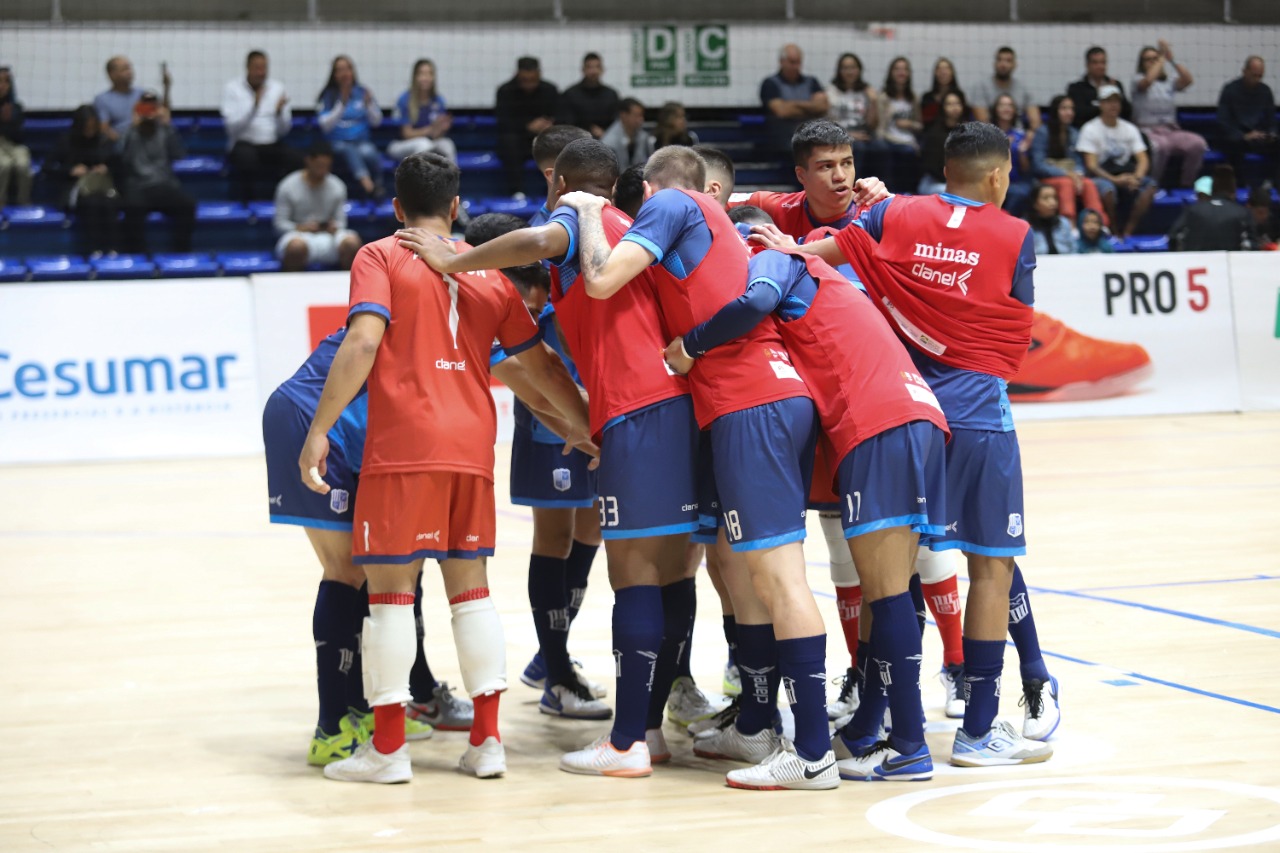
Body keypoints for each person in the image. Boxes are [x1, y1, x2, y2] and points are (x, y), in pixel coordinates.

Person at [758, 121, 1062, 765]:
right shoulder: (1015, 234)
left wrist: (781, 243)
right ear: (1000, 175)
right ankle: (980, 729)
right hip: (979, 418)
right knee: (989, 565)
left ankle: (872, 723)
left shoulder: (893, 214)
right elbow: (1015, 332)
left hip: (903, 412)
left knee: (883, 581)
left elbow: (820, 254)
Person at [399, 139, 705, 778]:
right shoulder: (629, 220)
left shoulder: (579, 213)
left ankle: (625, 743)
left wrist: (454, 262)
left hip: (632, 406)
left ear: (560, 182)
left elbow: (533, 243)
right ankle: (648, 729)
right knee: (674, 569)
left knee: (633, 575)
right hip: (673, 403)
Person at [300, 151, 596, 785]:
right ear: (456, 207)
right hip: (470, 447)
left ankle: (386, 752)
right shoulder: (488, 272)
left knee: (388, 599)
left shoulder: (379, 256)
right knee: (473, 593)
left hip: (404, 446)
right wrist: (583, 425)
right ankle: (487, 744)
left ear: (397, 207)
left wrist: (320, 429)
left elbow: (361, 340)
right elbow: (541, 363)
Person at [561, 146, 841, 792]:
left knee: (775, 577)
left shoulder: (670, 203)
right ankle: (758, 724)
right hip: (745, 404)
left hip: (751, 404)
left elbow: (601, 280)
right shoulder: (721, 230)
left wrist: (582, 211)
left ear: (657, 189)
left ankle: (810, 750)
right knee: (741, 573)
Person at [666, 204, 950, 782]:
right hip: (912, 414)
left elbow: (753, 302)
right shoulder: (818, 272)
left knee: (888, 595)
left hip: (878, 423)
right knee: (884, 593)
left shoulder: (775, 257)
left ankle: (909, 745)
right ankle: (870, 727)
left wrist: (690, 345)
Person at [264, 329, 486, 768]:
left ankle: (363, 710)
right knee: (347, 569)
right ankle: (331, 729)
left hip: (352, 424)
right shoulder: (452, 307)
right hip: (317, 420)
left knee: (387, 561)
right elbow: (522, 367)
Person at [732, 119, 889, 235]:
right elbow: (713, 197)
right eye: (826, 166)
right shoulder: (781, 207)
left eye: (847, 163)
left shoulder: (878, 211)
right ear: (801, 175)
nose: (840, 176)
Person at [118, 92, 195, 254]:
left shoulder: (165, 130)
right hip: (138, 186)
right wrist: (133, 127)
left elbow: (179, 154)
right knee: (132, 208)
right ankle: (137, 255)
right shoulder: (131, 132)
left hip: (163, 185)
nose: (149, 112)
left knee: (188, 205)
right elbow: (119, 156)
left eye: (153, 107)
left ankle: (181, 252)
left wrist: (169, 126)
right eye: (145, 107)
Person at [221, 50, 302, 203]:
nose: (261, 72)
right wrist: (253, 106)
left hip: (270, 143)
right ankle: (249, 205)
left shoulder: (277, 88)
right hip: (243, 143)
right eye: (257, 68)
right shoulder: (232, 88)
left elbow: (284, 130)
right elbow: (231, 128)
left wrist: (279, 114)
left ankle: (287, 201)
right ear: (248, 68)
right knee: (247, 160)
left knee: (298, 160)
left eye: (264, 68)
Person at [1078, 85, 1158, 238]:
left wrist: (1136, 177)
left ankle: (1128, 231)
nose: (1113, 105)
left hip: (1127, 173)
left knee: (1150, 186)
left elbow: (1143, 159)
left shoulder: (1130, 128)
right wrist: (1114, 180)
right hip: (1102, 176)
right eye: (1108, 101)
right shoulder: (1090, 129)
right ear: (1100, 104)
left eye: (1116, 101)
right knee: (1108, 189)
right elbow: (1091, 165)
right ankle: (1114, 230)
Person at [274, 141, 362, 272]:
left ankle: (350, 287)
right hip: (298, 234)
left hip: (328, 236)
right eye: (319, 166)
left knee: (352, 243)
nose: (323, 171)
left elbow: (342, 222)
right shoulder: (287, 186)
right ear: (308, 161)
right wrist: (301, 227)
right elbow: (279, 224)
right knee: (296, 247)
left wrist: (334, 226)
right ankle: (292, 288)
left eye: (326, 166)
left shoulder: (337, 186)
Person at [46, 105, 119, 256]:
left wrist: (106, 169)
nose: (90, 131)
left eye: (93, 127)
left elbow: (120, 165)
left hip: (102, 187)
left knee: (109, 202)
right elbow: (47, 168)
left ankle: (112, 249)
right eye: (87, 127)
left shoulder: (104, 141)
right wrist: (70, 170)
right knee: (92, 203)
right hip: (76, 189)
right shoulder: (66, 141)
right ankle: (93, 249)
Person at [1132, 41, 1206, 188]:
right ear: (1142, 63)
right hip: (1148, 131)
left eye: (1155, 58)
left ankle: (1186, 185)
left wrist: (1171, 59)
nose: (1153, 62)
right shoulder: (1138, 79)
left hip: (1170, 130)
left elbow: (1188, 80)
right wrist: (1161, 57)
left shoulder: (1169, 81)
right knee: (1161, 147)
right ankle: (1153, 185)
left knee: (1198, 144)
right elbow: (1148, 81)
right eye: (1148, 59)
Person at [1030, 95, 1109, 226]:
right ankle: (1069, 224)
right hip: (1047, 178)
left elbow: (1078, 161)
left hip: (1071, 176)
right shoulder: (1042, 132)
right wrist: (1066, 174)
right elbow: (1038, 164)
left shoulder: (1074, 133)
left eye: (1071, 109)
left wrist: (1078, 175)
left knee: (1088, 184)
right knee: (1066, 184)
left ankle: (1099, 223)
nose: (1069, 112)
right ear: (1055, 111)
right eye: (1064, 108)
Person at [317, 56, 384, 198]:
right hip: (337, 144)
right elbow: (325, 126)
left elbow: (376, 122)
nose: (345, 73)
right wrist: (342, 102)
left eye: (347, 69)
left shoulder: (362, 92)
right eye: (340, 70)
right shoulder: (328, 95)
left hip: (361, 142)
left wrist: (369, 104)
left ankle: (378, 184)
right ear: (334, 74)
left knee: (370, 153)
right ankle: (368, 186)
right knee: (348, 149)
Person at [495, 57, 559, 195]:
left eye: (533, 80)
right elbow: (504, 121)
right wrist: (527, 126)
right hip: (518, 140)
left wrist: (548, 124)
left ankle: (555, 190)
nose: (529, 84)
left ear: (539, 74)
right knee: (508, 141)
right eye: (525, 80)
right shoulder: (505, 91)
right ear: (517, 75)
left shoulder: (550, 90)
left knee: (560, 141)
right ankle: (517, 191)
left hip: (544, 140)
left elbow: (560, 116)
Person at [1217, 56, 1279, 188]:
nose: (1256, 79)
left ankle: (1275, 183)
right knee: (1234, 146)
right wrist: (1243, 136)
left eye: (1260, 76)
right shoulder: (1230, 90)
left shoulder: (1265, 91)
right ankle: (1240, 185)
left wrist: (1271, 134)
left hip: (1258, 136)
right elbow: (1223, 121)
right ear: (1244, 71)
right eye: (1254, 75)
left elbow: (1271, 119)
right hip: (1236, 136)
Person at [760, 44, 828, 157]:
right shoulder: (770, 84)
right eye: (792, 62)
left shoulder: (812, 81)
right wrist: (810, 108)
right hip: (784, 136)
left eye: (798, 62)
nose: (796, 66)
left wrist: (792, 104)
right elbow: (782, 111)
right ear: (782, 62)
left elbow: (822, 107)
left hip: (813, 133)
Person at [1169, 169, 1258, 252]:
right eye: (1200, 195)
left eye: (1203, 195)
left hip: (1197, 265)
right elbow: (1251, 245)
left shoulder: (1192, 210)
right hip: (1229, 265)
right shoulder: (1242, 213)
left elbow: (1174, 237)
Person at [388, 59, 456, 164]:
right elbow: (406, 134)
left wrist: (441, 128)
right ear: (415, 77)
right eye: (422, 74)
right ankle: (420, 180)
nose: (426, 78)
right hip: (401, 144)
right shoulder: (405, 99)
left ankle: (451, 179)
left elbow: (435, 136)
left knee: (447, 144)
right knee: (423, 144)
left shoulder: (438, 100)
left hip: (429, 142)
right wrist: (430, 129)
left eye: (429, 74)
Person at [970, 46, 1041, 146]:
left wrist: (1030, 135)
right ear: (994, 63)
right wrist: (1002, 140)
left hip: (1018, 138)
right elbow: (983, 122)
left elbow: (1035, 122)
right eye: (1000, 60)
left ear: (1014, 65)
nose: (1003, 64)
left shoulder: (1023, 89)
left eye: (1008, 60)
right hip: (989, 138)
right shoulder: (981, 87)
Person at [94, 55, 171, 145]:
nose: (129, 72)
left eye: (130, 68)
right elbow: (104, 129)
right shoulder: (103, 99)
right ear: (112, 75)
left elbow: (163, 116)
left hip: (144, 140)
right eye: (124, 69)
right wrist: (123, 141)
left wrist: (166, 88)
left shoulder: (141, 94)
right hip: (122, 143)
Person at [825, 53, 881, 176]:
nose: (850, 72)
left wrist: (873, 101)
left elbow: (872, 124)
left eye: (853, 68)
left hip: (864, 133)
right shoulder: (832, 91)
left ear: (859, 70)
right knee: (858, 148)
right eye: (845, 68)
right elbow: (828, 123)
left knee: (882, 148)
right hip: (839, 134)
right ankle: (854, 188)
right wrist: (849, 134)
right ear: (839, 71)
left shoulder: (866, 91)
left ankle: (884, 189)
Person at [877, 57, 922, 193]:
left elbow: (919, 125)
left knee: (910, 152)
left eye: (904, 69)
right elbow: (880, 127)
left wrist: (909, 124)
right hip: (889, 139)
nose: (901, 72)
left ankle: (908, 193)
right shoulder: (884, 97)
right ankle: (891, 193)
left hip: (908, 140)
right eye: (897, 69)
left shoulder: (913, 97)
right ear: (891, 73)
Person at [557, 53, 619, 139]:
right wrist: (587, 131)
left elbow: (616, 122)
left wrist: (605, 132)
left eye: (597, 67)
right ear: (583, 70)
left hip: (606, 141)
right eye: (589, 67)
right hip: (576, 142)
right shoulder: (570, 94)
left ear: (602, 70)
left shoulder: (611, 94)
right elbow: (566, 123)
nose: (593, 71)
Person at [1066, 46, 1130, 128]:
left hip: (1113, 129)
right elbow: (1078, 113)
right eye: (1095, 63)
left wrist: (1114, 93)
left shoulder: (1115, 85)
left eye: (1103, 62)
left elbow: (1127, 112)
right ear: (1087, 65)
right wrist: (1103, 104)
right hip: (1085, 130)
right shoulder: (1077, 88)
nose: (1100, 66)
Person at [990, 93, 1032, 214]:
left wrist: (1022, 153)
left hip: (1016, 182)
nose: (1006, 109)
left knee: (1021, 192)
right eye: (1002, 105)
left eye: (1009, 105)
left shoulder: (1021, 135)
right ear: (995, 109)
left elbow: (1026, 169)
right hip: (992, 181)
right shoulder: (987, 133)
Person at [918, 91, 967, 194]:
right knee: (953, 193)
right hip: (934, 181)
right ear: (942, 107)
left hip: (962, 181)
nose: (954, 107)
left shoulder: (969, 131)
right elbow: (930, 167)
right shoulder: (934, 133)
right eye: (949, 104)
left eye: (957, 103)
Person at [0, 66, 32, 206]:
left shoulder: (16, 107)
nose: (3, 85)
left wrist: (8, 121)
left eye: (6, 81)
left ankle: (23, 202)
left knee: (22, 165)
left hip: (14, 144)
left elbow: (19, 135)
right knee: (4, 165)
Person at [601, 98, 653, 170]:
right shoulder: (609, 142)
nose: (641, 119)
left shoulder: (643, 136)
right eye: (637, 115)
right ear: (623, 115)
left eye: (642, 115)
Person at [1025, 183, 1077, 256]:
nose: (1053, 203)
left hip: (1065, 263)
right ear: (1035, 203)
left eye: (1055, 198)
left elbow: (1073, 249)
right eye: (1046, 198)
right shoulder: (1024, 226)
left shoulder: (1064, 222)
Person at [921, 58, 965, 127]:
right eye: (939, 69)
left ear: (952, 72)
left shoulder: (960, 96)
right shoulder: (927, 98)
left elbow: (965, 119)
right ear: (935, 73)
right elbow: (924, 122)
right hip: (932, 136)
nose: (943, 72)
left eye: (947, 68)